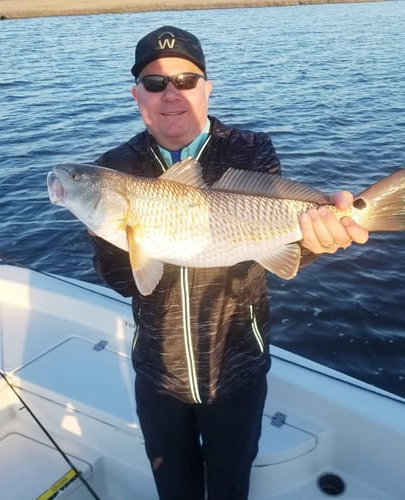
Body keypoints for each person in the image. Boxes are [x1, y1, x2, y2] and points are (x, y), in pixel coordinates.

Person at [89, 26, 369, 500]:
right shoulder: (115, 168)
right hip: (159, 372)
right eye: (155, 84)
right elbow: (123, 280)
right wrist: (118, 230)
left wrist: (318, 240)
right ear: (136, 94)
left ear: (208, 86)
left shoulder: (250, 149)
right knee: (174, 488)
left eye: (187, 80)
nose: (171, 94)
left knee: (230, 484)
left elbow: (276, 244)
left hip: (237, 367)